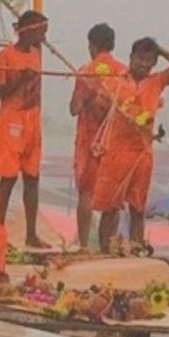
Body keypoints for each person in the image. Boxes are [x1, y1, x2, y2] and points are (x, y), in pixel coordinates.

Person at [92, 37, 169, 252]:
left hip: (142, 153)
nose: (143, 64)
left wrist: (159, 49)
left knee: (137, 207)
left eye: (149, 60)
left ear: (154, 63)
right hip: (116, 152)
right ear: (131, 57)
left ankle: (136, 249)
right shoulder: (114, 81)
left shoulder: (156, 81)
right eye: (140, 59)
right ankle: (105, 251)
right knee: (110, 208)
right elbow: (99, 109)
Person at [0, 10, 49, 247]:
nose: (43, 38)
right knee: (8, 178)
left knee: (32, 177)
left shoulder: (36, 54)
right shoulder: (5, 55)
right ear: (27, 31)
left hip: (32, 119)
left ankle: (31, 235)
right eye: (41, 32)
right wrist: (20, 79)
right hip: (11, 118)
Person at [70, 23, 127, 250]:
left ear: (92, 45)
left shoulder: (87, 71)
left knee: (86, 194)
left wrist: (89, 94)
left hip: (90, 141)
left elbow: (74, 108)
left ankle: (84, 245)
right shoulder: (124, 73)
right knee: (113, 198)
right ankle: (107, 247)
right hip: (115, 141)